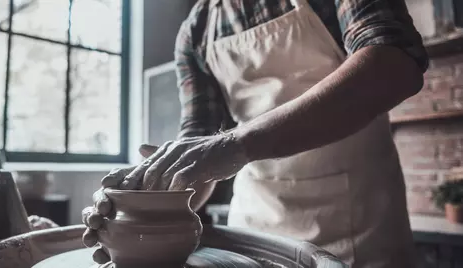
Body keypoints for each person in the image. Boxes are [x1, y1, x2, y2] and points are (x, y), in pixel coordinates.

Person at [83, 0, 428, 267]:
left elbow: (393, 61)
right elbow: (199, 137)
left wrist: (234, 144)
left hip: (360, 224)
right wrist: (140, 202)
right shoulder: (196, 30)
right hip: (255, 223)